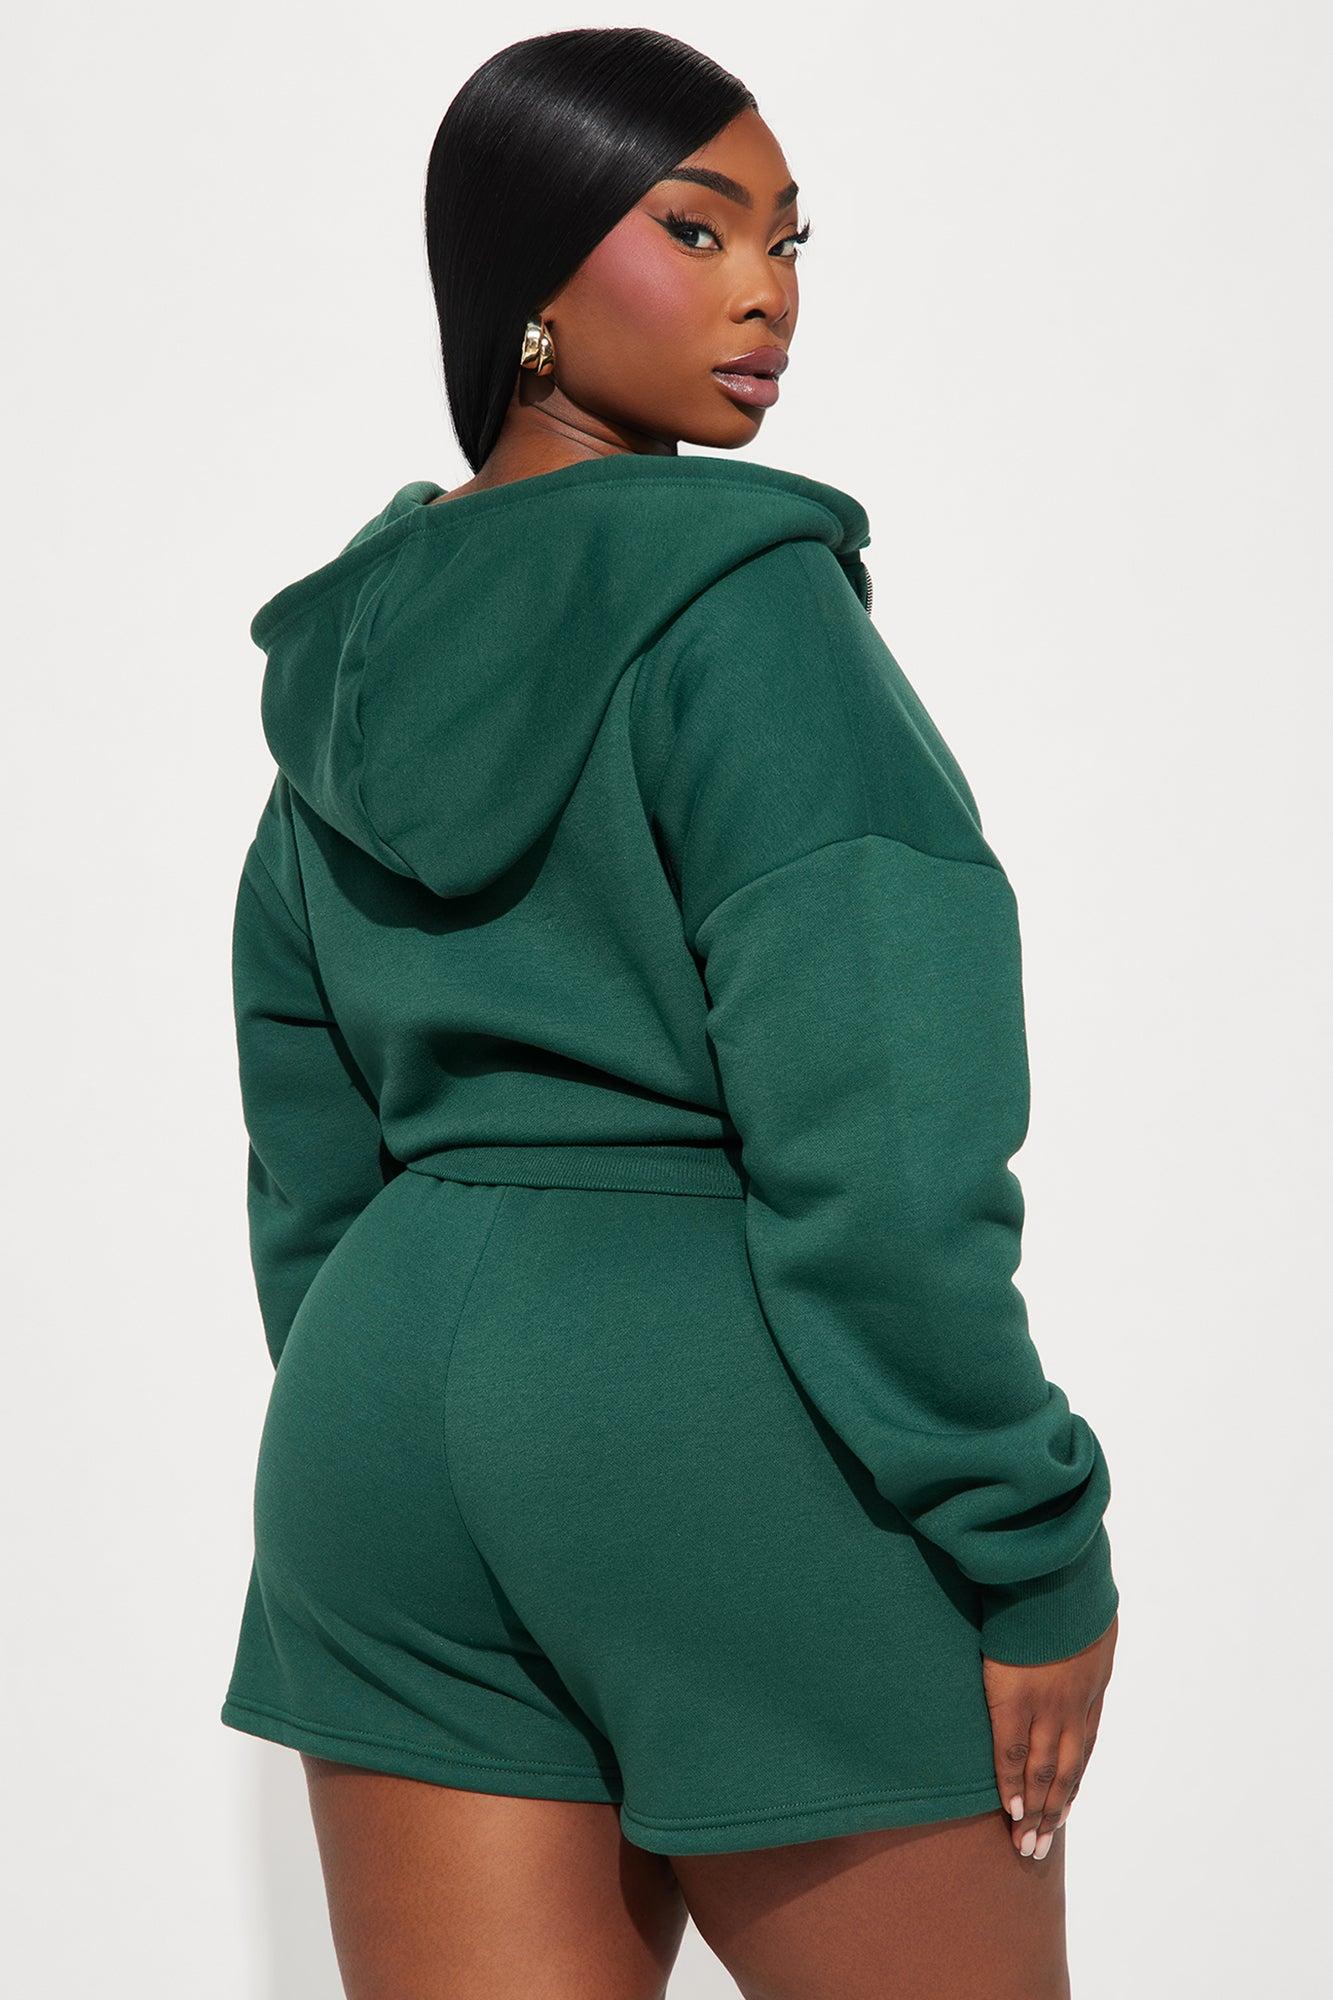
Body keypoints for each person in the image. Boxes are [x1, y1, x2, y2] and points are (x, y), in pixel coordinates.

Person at [220, 26, 1121, 2000]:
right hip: (713, 1422)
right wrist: (1028, 1534)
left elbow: (308, 1143)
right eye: (695, 230)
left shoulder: (347, 667)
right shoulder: (747, 609)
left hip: (371, 1441)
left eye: (786, 242)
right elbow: (882, 1139)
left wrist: (422, 1409)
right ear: (525, 281)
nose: (763, 292)